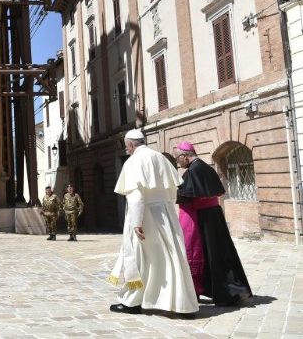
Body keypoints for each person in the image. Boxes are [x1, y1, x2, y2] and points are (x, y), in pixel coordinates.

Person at [108, 129, 199, 317]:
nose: (127, 149)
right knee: (172, 257)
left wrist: (136, 222)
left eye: (127, 146)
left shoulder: (133, 161)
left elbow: (136, 196)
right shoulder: (161, 158)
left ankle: (133, 302)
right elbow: (174, 189)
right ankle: (183, 305)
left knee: (141, 258)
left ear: (131, 144)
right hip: (166, 215)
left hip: (145, 215)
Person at [173, 141, 252, 305]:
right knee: (216, 255)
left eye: (177, 158)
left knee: (212, 256)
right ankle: (221, 291)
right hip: (211, 217)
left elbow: (188, 197)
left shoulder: (195, 170)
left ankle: (224, 293)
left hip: (203, 219)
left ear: (185, 156)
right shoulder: (202, 167)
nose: (177, 162)